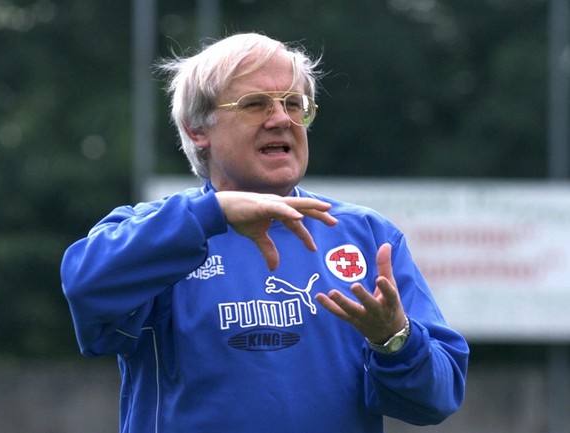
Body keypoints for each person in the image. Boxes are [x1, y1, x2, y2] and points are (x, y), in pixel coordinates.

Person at [61, 33, 469, 433]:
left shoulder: (365, 236)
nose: (282, 119)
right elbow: (85, 286)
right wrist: (210, 215)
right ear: (196, 129)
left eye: (294, 103)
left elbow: (438, 398)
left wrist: (394, 340)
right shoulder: (161, 232)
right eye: (255, 105)